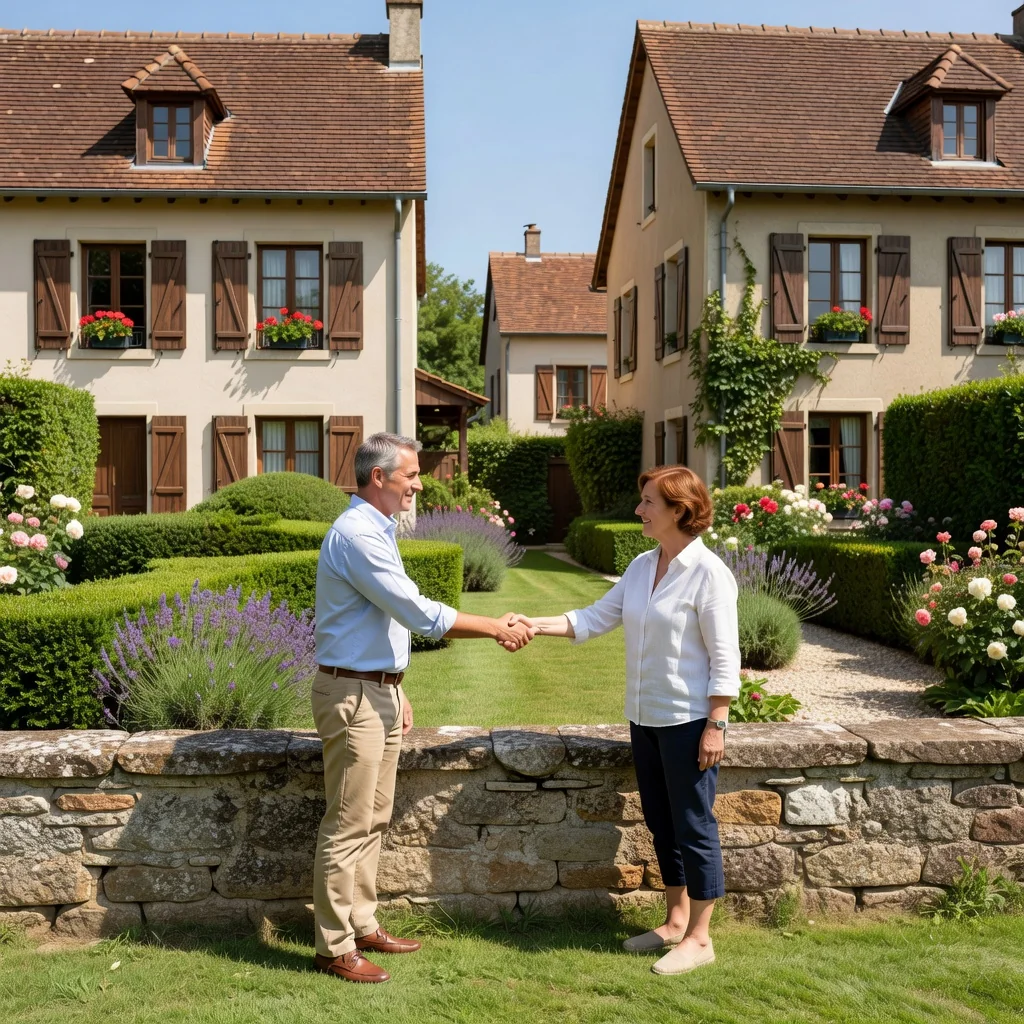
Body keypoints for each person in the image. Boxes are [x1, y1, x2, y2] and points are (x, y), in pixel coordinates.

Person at [312, 432, 534, 984]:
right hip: (353, 695)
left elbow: (381, 617)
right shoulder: (358, 535)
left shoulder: (377, 530)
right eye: (411, 474)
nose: (419, 483)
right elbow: (413, 609)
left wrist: (395, 683)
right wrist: (493, 626)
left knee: (375, 816)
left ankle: (362, 924)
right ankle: (333, 946)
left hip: (376, 690)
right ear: (379, 477)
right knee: (347, 822)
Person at [513, 465, 739, 976]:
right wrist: (533, 623)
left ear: (679, 510)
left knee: (694, 826)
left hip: (687, 722)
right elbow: (594, 618)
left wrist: (716, 722)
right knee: (662, 825)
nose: (639, 510)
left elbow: (726, 656)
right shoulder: (642, 565)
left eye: (648, 503)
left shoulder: (709, 574)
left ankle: (701, 939)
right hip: (644, 718)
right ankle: (675, 921)